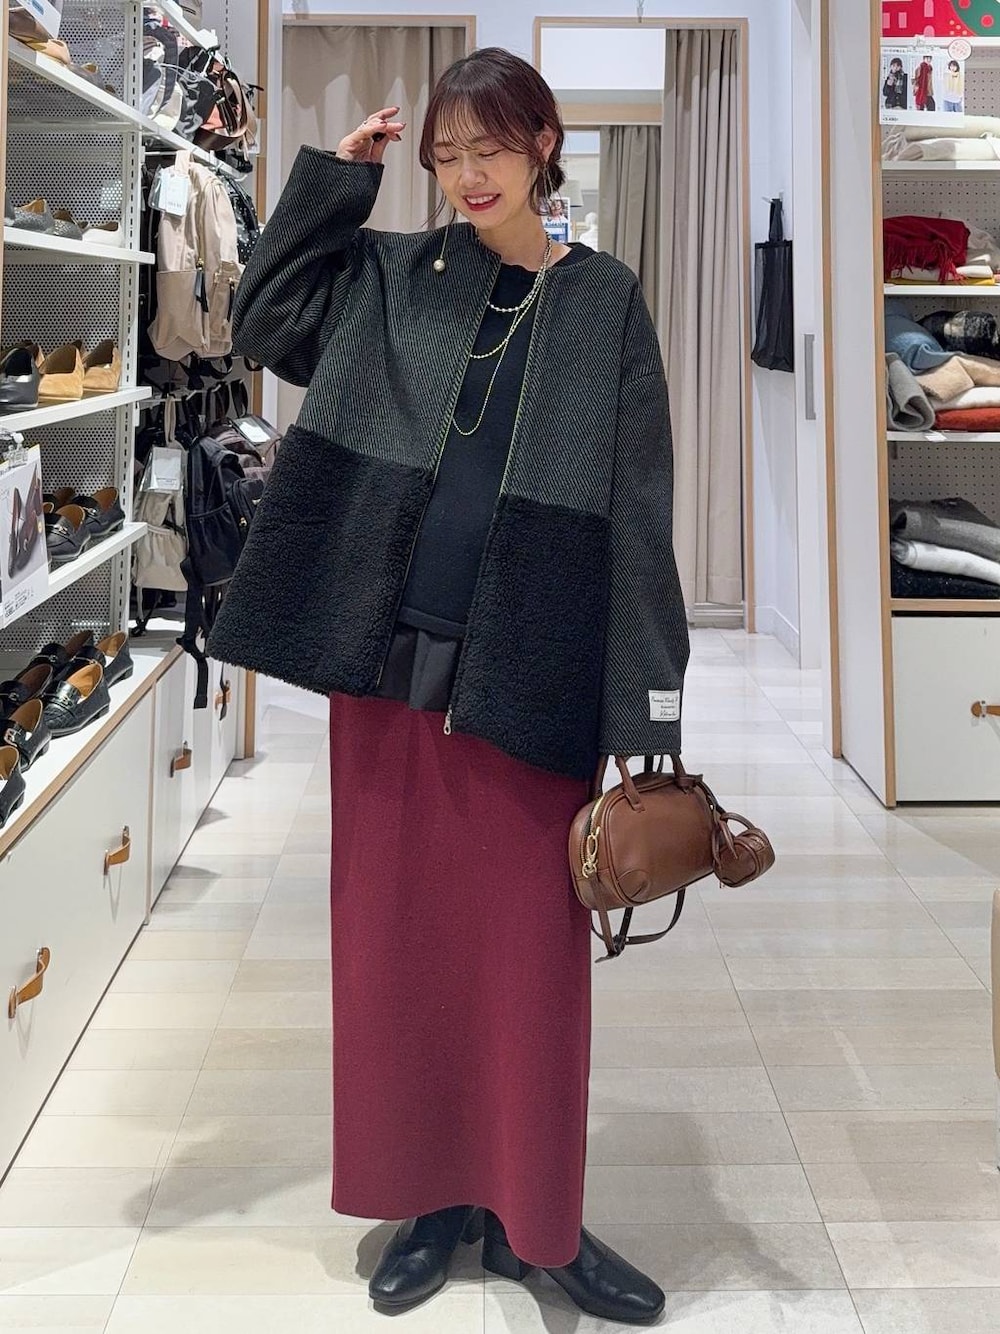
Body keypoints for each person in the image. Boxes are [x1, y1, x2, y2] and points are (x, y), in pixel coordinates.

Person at [208, 45, 688, 1326]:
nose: (469, 175)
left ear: (543, 146)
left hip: (531, 661)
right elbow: (261, 321)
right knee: (396, 951)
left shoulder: (603, 300)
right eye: (447, 154)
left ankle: (540, 1220)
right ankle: (428, 1200)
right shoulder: (391, 274)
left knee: (531, 965)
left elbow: (639, 513)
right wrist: (335, 185)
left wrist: (648, 707)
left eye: (492, 149)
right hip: (386, 661)